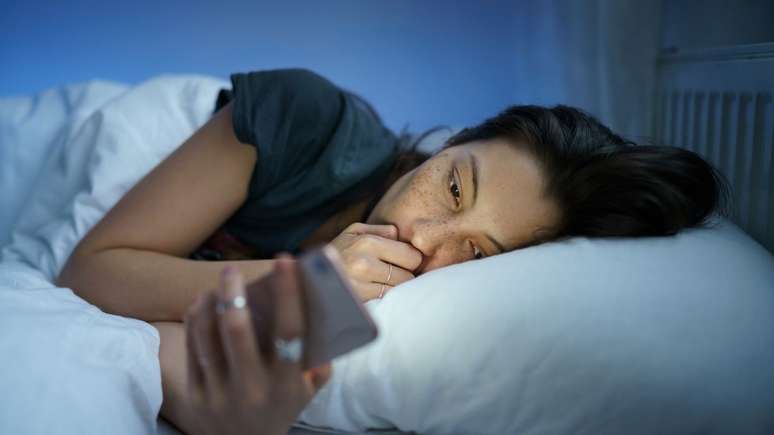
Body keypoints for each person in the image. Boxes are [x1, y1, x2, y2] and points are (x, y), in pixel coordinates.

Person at [55, 68, 728, 434]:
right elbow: (89, 271)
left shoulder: (392, 303)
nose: (426, 239)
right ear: (451, 144)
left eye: (476, 253)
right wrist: (301, 278)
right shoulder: (306, 120)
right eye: (454, 186)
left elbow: (168, 356)